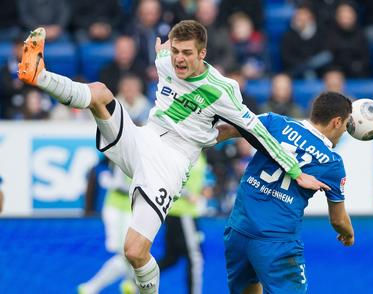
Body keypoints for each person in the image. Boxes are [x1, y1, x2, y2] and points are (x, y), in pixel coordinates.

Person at [17, 20, 327, 293]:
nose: (179, 58)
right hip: (142, 138)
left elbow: (256, 130)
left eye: (187, 53)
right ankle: (38, 75)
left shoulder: (222, 90)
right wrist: (162, 50)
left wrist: (295, 171)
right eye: (176, 51)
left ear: (202, 53)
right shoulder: (166, 60)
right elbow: (163, 53)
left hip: (170, 163)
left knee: (135, 251)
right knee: (99, 93)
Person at [218, 92, 355, 293]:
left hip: (238, 231)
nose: (345, 130)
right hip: (277, 242)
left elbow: (228, 130)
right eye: (345, 125)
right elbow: (338, 220)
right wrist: (348, 234)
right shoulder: (332, 163)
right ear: (336, 122)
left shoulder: (274, 122)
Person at [79, 165, 137, 294]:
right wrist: (143, 190)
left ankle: (129, 284)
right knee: (127, 253)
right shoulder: (125, 156)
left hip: (131, 211)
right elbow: (117, 184)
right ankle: (92, 287)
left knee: (132, 253)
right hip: (119, 211)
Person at [159, 154, 207, 294]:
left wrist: (203, 190)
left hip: (181, 213)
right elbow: (169, 178)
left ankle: (134, 282)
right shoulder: (184, 151)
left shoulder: (201, 154)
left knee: (171, 257)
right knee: (196, 259)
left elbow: (196, 180)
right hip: (183, 213)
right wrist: (188, 195)